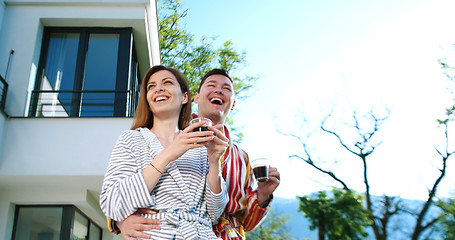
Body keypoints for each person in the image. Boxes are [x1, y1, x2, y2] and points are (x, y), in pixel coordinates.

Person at [108, 69, 281, 240]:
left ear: (233, 103)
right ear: (195, 97)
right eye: (211, 85)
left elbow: (246, 222)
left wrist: (263, 195)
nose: (218, 90)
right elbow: (123, 184)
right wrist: (119, 221)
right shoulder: (167, 137)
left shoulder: (242, 158)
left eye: (227, 88)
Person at [100, 65, 230, 240]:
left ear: (185, 97)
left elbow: (214, 213)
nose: (158, 88)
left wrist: (214, 162)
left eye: (167, 82)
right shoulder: (131, 140)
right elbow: (112, 203)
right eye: (151, 86)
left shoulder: (200, 147)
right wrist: (169, 154)